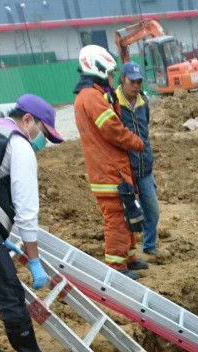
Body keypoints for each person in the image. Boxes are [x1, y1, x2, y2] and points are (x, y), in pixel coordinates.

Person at [0, 95, 66, 352]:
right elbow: (26, 211)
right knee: (9, 290)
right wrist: (34, 262)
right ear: (28, 120)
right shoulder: (20, 145)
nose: (42, 141)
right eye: (44, 133)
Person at [74, 45, 148, 279]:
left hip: (113, 170)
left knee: (126, 212)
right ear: (97, 70)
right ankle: (116, 267)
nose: (112, 78)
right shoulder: (92, 98)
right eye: (109, 74)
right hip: (108, 172)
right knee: (116, 217)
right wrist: (136, 142)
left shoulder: (93, 95)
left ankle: (128, 257)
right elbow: (113, 130)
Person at [116, 62, 161, 259]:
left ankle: (149, 244)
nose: (136, 85)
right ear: (122, 79)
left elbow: (146, 130)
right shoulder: (114, 104)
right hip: (125, 169)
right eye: (132, 81)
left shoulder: (143, 102)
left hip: (145, 167)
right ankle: (128, 252)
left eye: (139, 81)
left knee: (152, 210)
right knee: (129, 213)